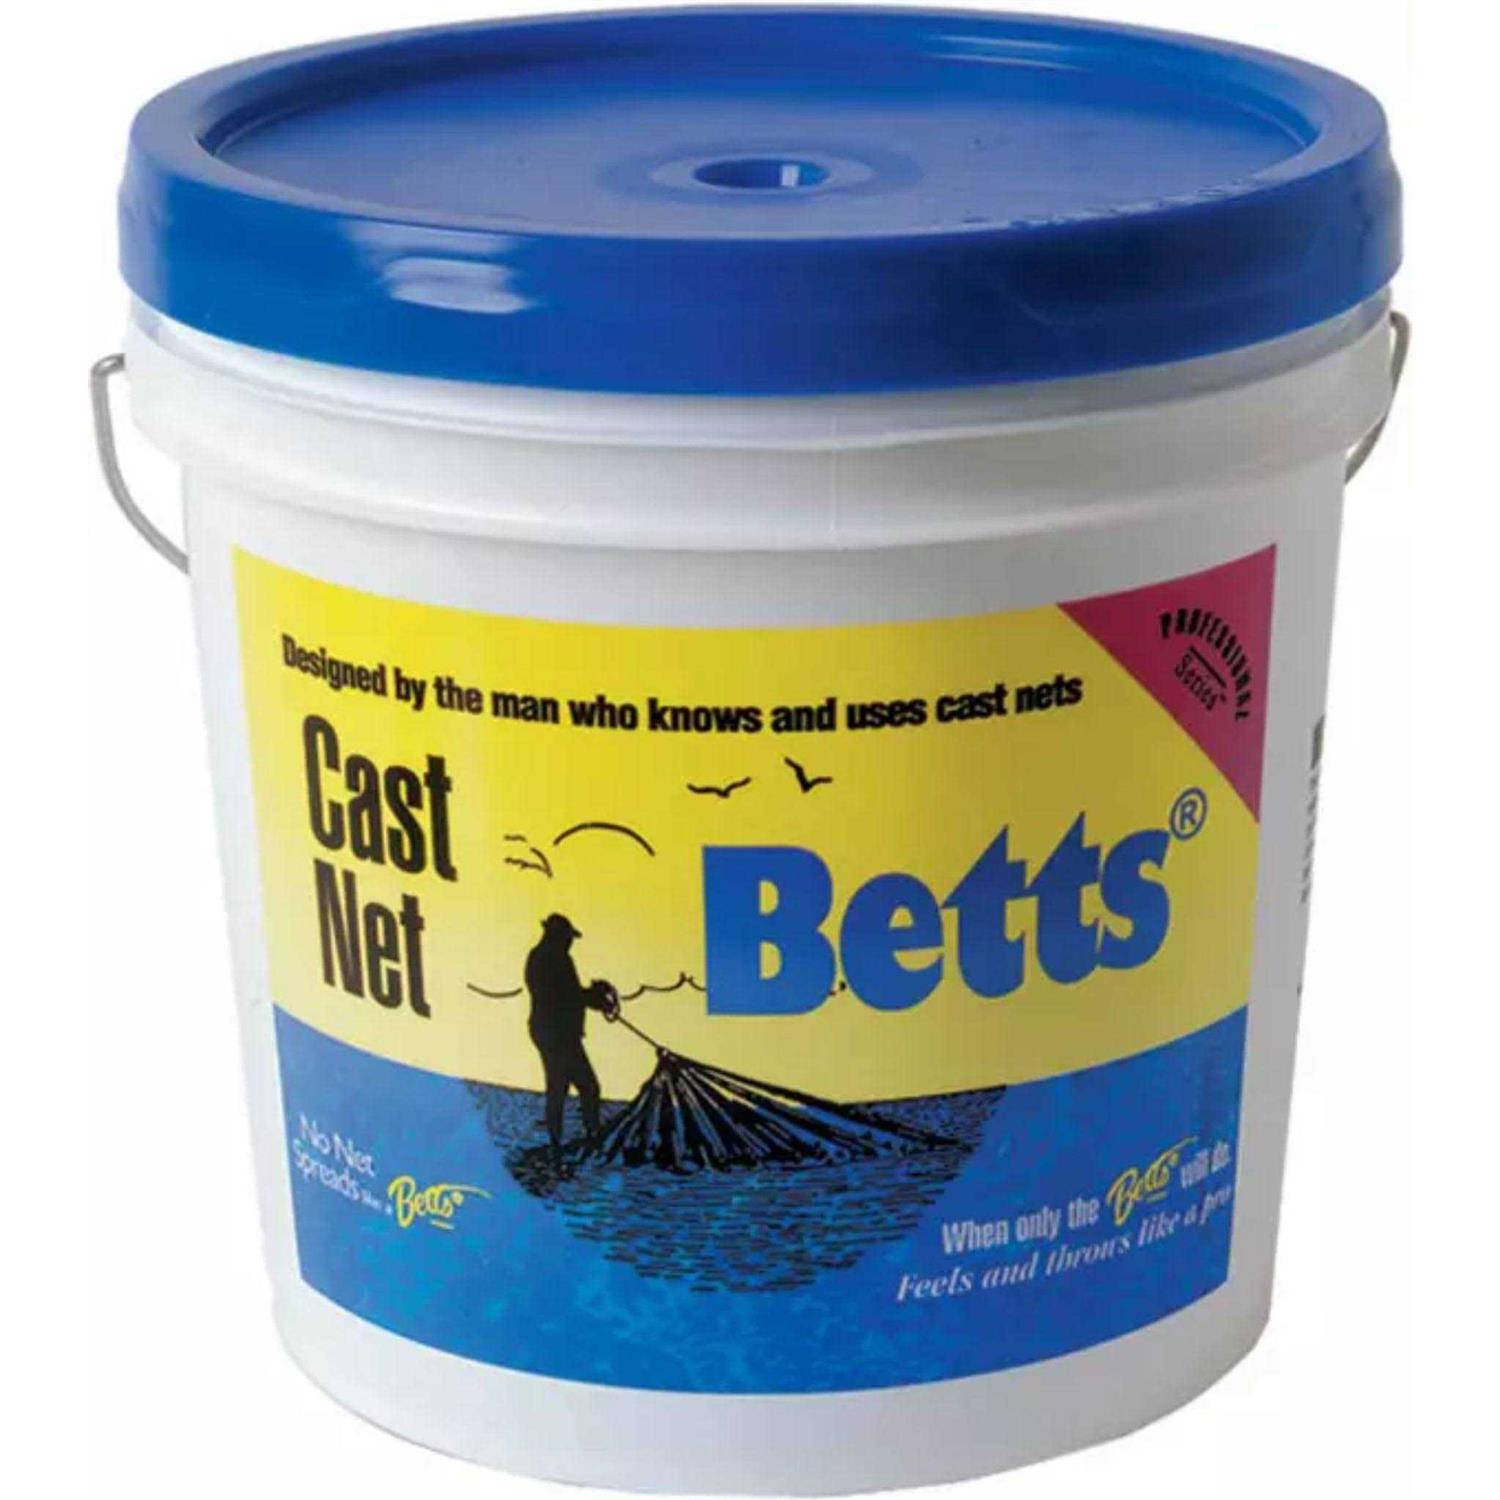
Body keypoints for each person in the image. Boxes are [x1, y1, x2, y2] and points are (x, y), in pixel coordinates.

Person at [523, 913, 618, 1150]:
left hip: (550, 1032)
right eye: (568, 937)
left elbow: (569, 994)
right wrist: (596, 997)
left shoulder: (543, 957)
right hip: (559, 1035)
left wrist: (592, 997)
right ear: (558, 936)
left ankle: (560, 1139)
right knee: (584, 1086)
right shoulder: (554, 959)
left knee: (559, 1086)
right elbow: (568, 995)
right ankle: (588, 1135)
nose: (570, 942)